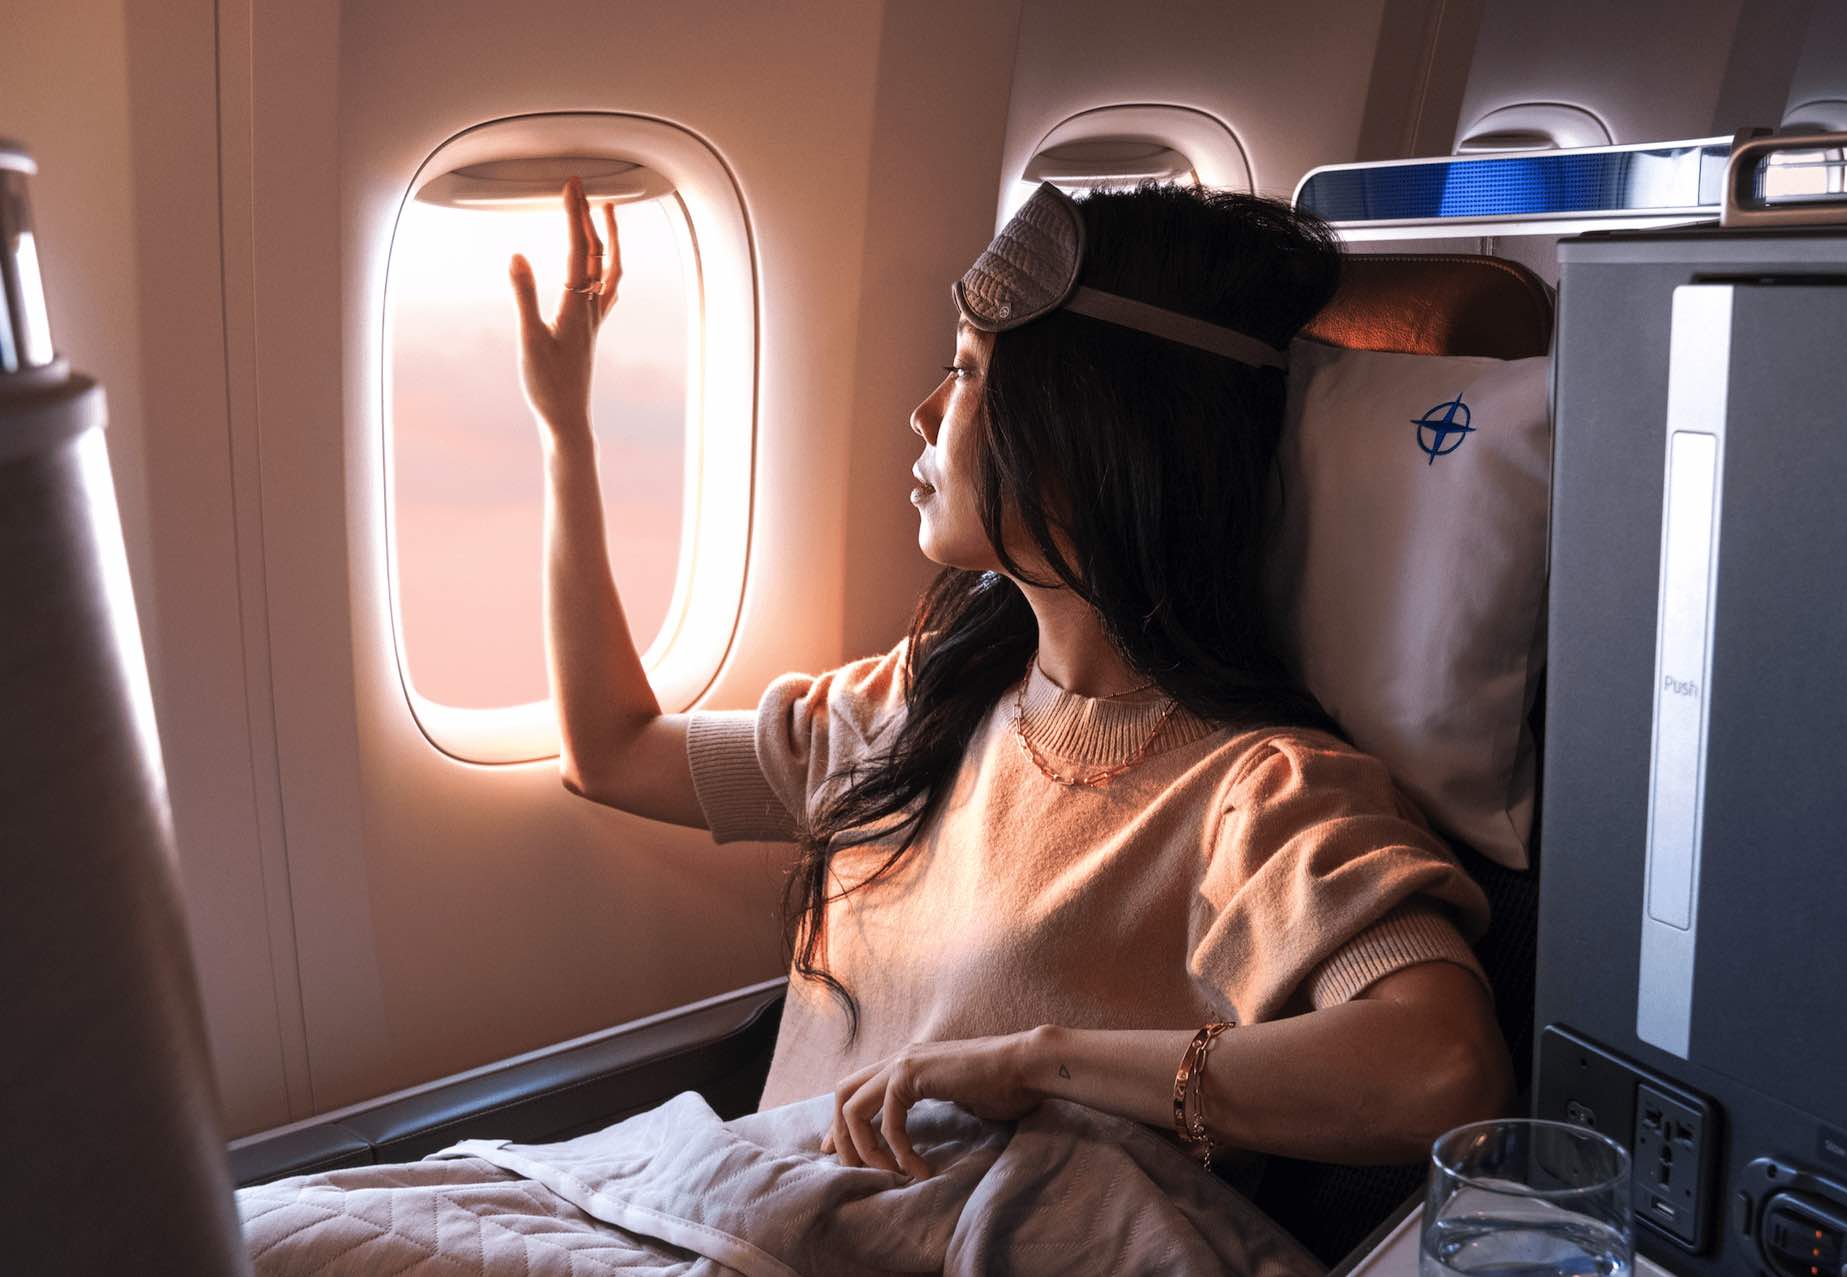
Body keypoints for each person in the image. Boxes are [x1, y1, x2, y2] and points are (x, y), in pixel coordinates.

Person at [503, 174, 1514, 1192]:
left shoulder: (1255, 791)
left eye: (970, 370)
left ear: (1090, 424)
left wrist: (1037, 1061)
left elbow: (1443, 1070)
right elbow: (611, 751)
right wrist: (563, 430)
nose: (924, 410)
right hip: (722, 1212)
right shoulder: (915, 707)